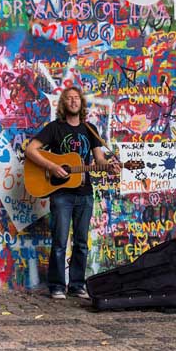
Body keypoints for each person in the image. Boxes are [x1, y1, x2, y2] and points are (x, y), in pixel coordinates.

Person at [26, 87, 120, 299]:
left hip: (85, 193)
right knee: (59, 242)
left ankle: (77, 285)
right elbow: (30, 150)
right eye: (69, 98)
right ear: (63, 104)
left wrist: (109, 166)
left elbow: (100, 160)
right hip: (61, 194)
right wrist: (51, 167)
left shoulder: (90, 129)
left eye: (76, 98)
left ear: (81, 103)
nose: (73, 101)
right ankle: (57, 286)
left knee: (81, 242)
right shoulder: (55, 128)